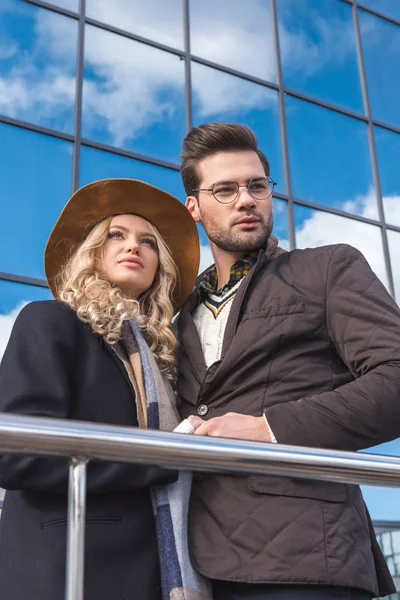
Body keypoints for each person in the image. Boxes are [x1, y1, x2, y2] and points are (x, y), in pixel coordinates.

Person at [176, 122, 400, 600]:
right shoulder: (179, 315)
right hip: (196, 568)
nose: (246, 199)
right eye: (225, 189)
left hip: (304, 560)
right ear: (194, 206)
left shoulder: (327, 268)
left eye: (257, 185)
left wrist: (268, 427)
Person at [0, 178, 211, 600]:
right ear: (92, 252)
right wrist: (167, 455)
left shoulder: (166, 363)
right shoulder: (50, 322)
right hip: (67, 567)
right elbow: (17, 454)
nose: (133, 246)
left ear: (159, 267)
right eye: (117, 235)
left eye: (148, 242)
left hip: (150, 571)